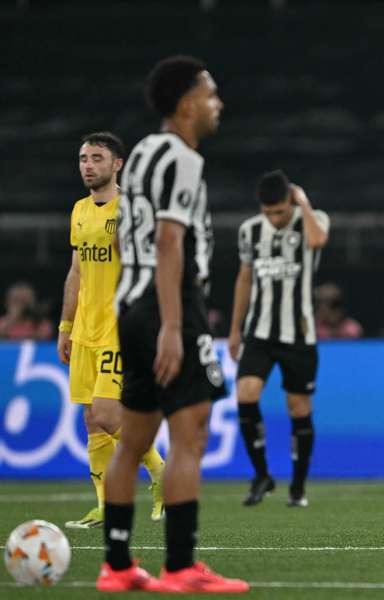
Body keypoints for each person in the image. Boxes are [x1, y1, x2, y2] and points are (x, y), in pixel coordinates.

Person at [96, 55, 247, 592]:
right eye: (210, 94)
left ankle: (115, 567)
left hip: (131, 303)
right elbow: (167, 241)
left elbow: (124, 235)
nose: (217, 104)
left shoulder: (140, 153)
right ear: (187, 104)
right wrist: (171, 324)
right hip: (168, 307)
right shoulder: (182, 157)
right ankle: (181, 566)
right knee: (192, 434)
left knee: (134, 441)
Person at [57, 132, 165, 530]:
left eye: (97, 158)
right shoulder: (79, 210)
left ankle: (160, 472)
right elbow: (77, 271)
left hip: (121, 327)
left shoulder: (132, 210)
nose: (88, 165)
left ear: (117, 164)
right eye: (83, 158)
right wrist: (66, 326)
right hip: (85, 327)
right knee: (91, 420)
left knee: (106, 413)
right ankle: (105, 507)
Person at [228, 169, 329, 508]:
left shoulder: (311, 220)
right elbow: (244, 279)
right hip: (258, 332)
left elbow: (317, 241)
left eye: (280, 211)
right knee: (246, 394)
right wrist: (234, 329)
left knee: (298, 407)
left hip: (299, 335)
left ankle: (297, 487)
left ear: (291, 201)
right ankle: (261, 475)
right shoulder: (250, 231)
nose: (274, 218)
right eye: (268, 212)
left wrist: (302, 201)